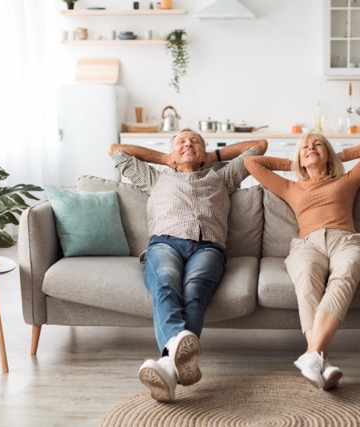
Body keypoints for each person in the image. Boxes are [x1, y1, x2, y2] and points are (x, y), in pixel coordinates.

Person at [109, 129, 267, 402]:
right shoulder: (155, 177)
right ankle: (173, 361)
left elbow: (259, 145)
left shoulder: (222, 177)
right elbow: (115, 149)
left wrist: (213, 156)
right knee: (166, 282)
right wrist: (165, 157)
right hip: (165, 245)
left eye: (195, 141)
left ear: (204, 152)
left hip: (208, 248)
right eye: (181, 142)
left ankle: (168, 368)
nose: (188, 144)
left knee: (195, 291)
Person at [245, 133, 360, 390]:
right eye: (305, 147)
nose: (311, 147)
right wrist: (294, 161)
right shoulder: (291, 187)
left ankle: (312, 355)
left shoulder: (348, 180)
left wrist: (339, 155)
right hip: (307, 245)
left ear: (328, 153)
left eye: (317, 144)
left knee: (346, 270)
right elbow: (251, 164)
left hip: (346, 242)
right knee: (307, 275)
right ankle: (319, 358)